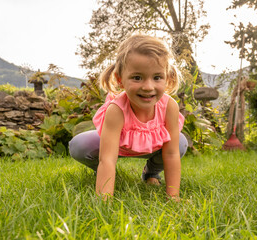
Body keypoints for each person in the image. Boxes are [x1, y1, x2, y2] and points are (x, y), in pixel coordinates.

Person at [69, 34, 188, 200]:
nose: (148, 87)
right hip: (115, 147)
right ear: (120, 80)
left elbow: (171, 154)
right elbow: (108, 158)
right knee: (80, 145)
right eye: (137, 78)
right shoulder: (117, 109)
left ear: (167, 78)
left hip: (153, 146)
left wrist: (173, 197)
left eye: (157, 77)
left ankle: (151, 173)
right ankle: (102, 174)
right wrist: (104, 200)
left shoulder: (170, 106)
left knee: (180, 143)